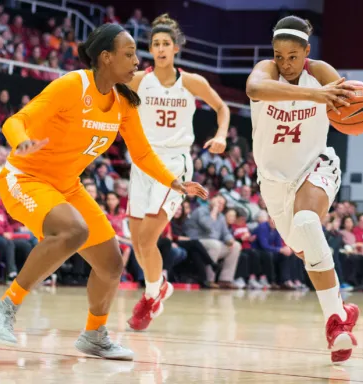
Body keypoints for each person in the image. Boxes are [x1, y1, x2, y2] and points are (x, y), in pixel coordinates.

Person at [0, 24, 207, 360]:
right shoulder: (74, 85)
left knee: (111, 264)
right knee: (73, 230)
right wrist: (21, 142)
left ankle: (94, 334)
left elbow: (142, 154)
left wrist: (173, 182)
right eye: (129, 54)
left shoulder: (123, 103)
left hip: (67, 185)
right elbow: (16, 120)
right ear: (106, 57)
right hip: (25, 177)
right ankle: (4, 309)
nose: (136, 61)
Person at [245, 15, 363, 364]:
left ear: (307, 52)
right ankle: (342, 309)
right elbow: (254, 90)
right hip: (272, 181)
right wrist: (316, 95)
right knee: (304, 250)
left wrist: (361, 114)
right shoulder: (265, 72)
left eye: (293, 56)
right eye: (279, 55)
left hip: (316, 165)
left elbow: (352, 98)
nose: (285, 62)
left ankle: (334, 324)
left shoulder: (322, 71)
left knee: (308, 222)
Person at [125, 14, 230, 331]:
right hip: (142, 162)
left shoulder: (191, 82)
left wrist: (221, 135)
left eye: (165, 44)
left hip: (174, 165)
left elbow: (223, 108)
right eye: (155, 43)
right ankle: (161, 287)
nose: (160, 49)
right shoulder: (138, 80)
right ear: (150, 48)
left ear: (176, 49)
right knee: (137, 243)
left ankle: (151, 297)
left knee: (146, 240)